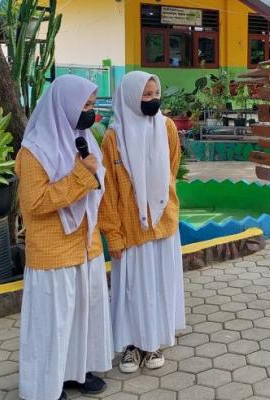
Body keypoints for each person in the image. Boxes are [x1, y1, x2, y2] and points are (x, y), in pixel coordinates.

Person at [16, 75, 113, 400]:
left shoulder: (84, 138)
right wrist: (80, 177)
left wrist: (88, 177)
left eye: (92, 105)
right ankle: (45, 385)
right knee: (52, 324)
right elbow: (35, 202)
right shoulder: (34, 151)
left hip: (86, 246)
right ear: (65, 106)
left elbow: (98, 183)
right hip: (53, 250)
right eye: (85, 105)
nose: (90, 112)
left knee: (83, 315)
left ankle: (76, 372)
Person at [99, 71, 185, 374]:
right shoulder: (114, 137)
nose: (152, 101)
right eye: (145, 96)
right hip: (130, 227)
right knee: (132, 287)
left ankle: (154, 343)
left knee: (159, 284)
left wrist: (159, 204)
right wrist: (113, 234)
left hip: (162, 223)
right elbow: (107, 190)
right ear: (130, 98)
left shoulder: (167, 127)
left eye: (155, 94)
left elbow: (171, 169)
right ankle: (132, 346)